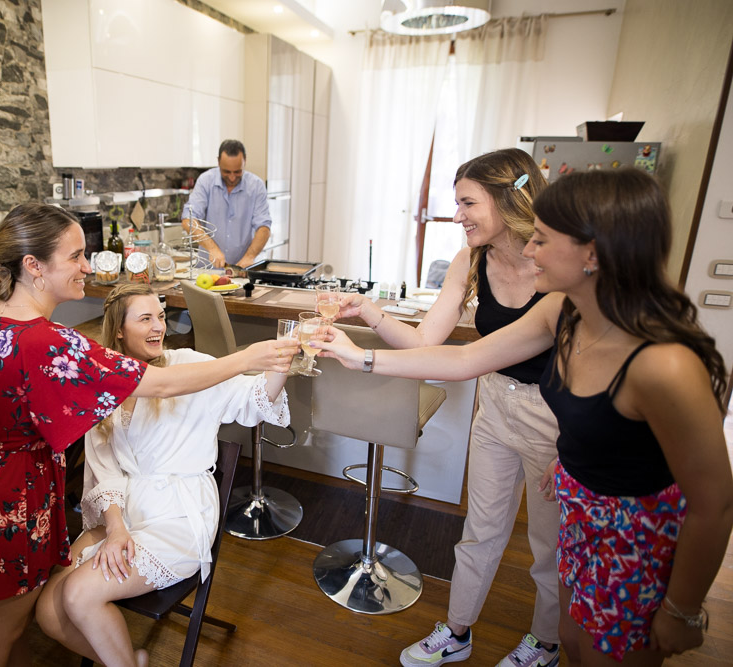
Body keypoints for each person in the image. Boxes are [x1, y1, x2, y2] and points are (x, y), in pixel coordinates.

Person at [313, 168, 733, 666]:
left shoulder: (663, 364)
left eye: (542, 238)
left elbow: (715, 504)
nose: (530, 249)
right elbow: (467, 359)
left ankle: (542, 643)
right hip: (580, 516)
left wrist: (681, 610)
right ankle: (475, 632)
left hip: (628, 546)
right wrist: (360, 355)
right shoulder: (563, 311)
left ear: (592, 253)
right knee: (571, 638)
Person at [0, 204, 297, 667]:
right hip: (16, 499)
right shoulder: (49, 343)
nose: (88, 266)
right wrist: (247, 357)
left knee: (10, 623)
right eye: (75, 256)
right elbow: (160, 384)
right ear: (34, 266)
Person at [336, 148, 561, 667]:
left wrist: (574, 446)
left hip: (556, 417)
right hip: (494, 407)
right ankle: (457, 632)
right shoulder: (471, 259)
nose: (456, 216)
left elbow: (465, 361)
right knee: (480, 530)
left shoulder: (556, 266)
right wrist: (370, 313)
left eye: (467, 203)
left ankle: (546, 643)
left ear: (508, 199)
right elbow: (424, 346)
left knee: (549, 548)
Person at [33, 283, 291, 666]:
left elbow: (250, 399)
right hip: (124, 511)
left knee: (78, 595)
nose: (159, 327)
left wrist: (281, 365)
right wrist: (116, 528)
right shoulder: (104, 381)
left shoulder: (186, 365)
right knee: (48, 613)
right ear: (119, 329)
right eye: (145, 319)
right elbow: (104, 470)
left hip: (178, 516)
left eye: (160, 316)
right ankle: (130, 660)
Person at [181, 139, 272, 269]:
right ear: (218, 162)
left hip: (242, 270)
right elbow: (188, 220)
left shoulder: (256, 186)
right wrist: (212, 248)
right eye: (226, 172)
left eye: (237, 172)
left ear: (244, 161)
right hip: (207, 270)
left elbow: (264, 227)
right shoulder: (205, 181)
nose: (232, 177)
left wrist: (249, 257)